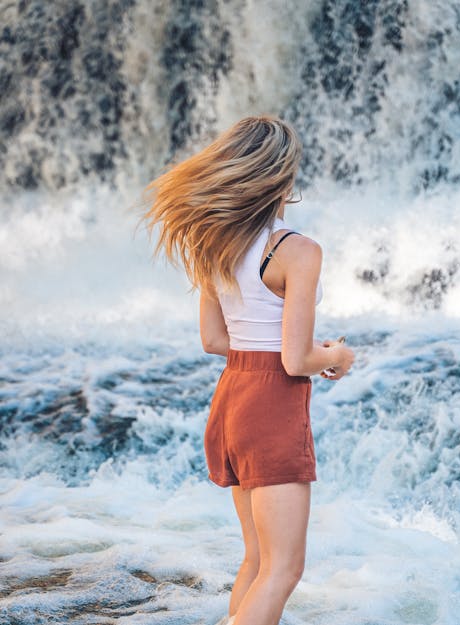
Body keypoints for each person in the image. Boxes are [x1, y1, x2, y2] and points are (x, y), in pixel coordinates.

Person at [140, 116, 355, 625]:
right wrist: (337, 357)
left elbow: (215, 340)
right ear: (282, 174)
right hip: (271, 406)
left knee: (257, 561)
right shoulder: (297, 250)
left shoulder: (216, 242)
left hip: (232, 398)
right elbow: (295, 359)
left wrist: (295, 346)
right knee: (283, 570)